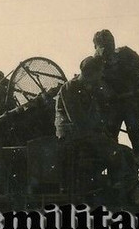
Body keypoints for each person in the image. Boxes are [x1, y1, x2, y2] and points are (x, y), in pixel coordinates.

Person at [92, 29, 139, 187]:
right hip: (113, 106)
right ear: (97, 48)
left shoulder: (126, 54)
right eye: (103, 48)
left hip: (138, 101)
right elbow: (92, 86)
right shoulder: (95, 64)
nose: (108, 52)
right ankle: (116, 181)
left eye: (110, 46)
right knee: (110, 137)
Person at [56, 57, 134, 200]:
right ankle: (118, 190)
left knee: (126, 153)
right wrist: (101, 136)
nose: (101, 76)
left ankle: (118, 190)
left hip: (87, 136)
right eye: (99, 72)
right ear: (91, 73)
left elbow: (98, 119)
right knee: (117, 153)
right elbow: (78, 120)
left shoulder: (91, 90)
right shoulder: (69, 89)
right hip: (72, 136)